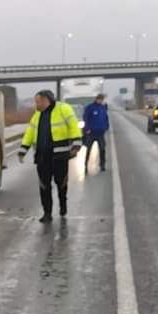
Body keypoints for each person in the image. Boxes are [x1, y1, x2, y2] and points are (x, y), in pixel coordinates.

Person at [18, 90, 83, 223]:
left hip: (60, 156)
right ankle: (47, 213)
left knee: (61, 183)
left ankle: (63, 205)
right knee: (44, 186)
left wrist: (76, 142)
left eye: (38, 102)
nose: (36, 104)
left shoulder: (63, 109)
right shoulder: (37, 114)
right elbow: (30, 132)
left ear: (46, 100)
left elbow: (73, 125)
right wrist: (23, 149)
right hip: (42, 157)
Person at [82, 94, 111, 172]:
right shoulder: (90, 107)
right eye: (99, 99)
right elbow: (85, 118)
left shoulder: (102, 108)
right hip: (91, 133)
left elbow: (106, 118)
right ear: (96, 99)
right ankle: (85, 166)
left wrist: (106, 127)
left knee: (102, 149)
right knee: (88, 150)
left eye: (101, 99)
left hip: (100, 133)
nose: (100, 101)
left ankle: (102, 165)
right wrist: (87, 128)